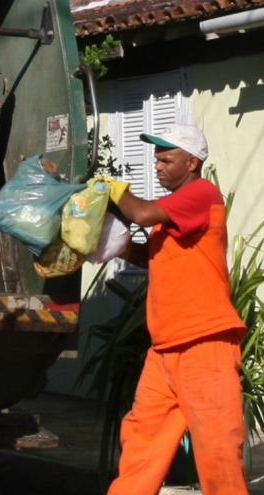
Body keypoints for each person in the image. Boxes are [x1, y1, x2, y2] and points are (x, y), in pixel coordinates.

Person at [107, 123, 247, 494]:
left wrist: (111, 189)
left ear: (192, 162)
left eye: (166, 159)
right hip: (165, 347)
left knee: (217, 454)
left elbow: (140, 214)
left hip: (205, 343)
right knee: (141, 444)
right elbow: (156, 256)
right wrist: (113, 246)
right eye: (156, 158)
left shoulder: (201, 193)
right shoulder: (173, 212)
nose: (158, 165)